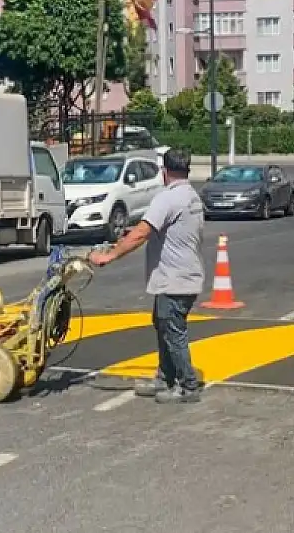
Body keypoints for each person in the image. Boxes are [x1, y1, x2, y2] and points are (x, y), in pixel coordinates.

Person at [89, 148, 206, 404]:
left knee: (173, 331)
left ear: (165, 172)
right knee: (163, 324)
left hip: (174, 278)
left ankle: (187, 386)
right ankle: (165, 377)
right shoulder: (191, 197)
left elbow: (143, 232)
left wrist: (110, 255)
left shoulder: (167, 198)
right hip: (184, 275)